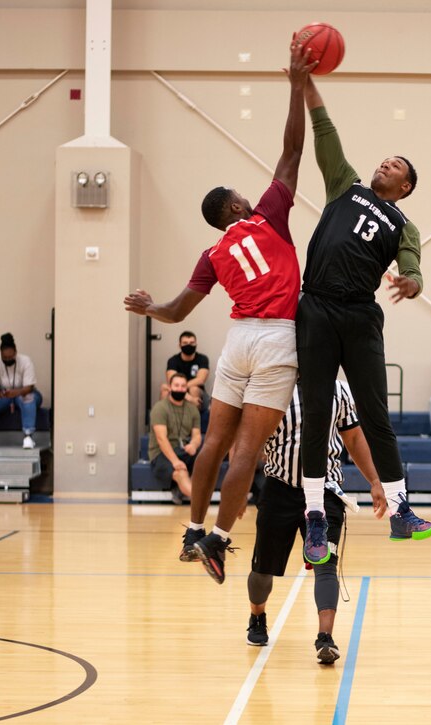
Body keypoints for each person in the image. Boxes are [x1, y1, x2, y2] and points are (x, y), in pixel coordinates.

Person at [125, 43, 315, 584]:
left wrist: (147, 307)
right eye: (241, 196)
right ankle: (219, 540)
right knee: (249, 452)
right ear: (235, 207)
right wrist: (297, 86)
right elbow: (293, 151)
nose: (249, 199)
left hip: (237, 340)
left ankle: (191, 529)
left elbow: (175, 309)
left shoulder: (213, 255)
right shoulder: (269, 219)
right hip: (278, 339)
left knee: (214, 442)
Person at [293, 63, 431, 564]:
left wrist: (408, 283)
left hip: (359, 316)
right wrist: (304, 79)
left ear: (406, 186)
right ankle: (315, 517)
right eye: (384, 159)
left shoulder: (404, 225)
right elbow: (324, 130)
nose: (385, 164)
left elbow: (416, 273)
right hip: (314, 306)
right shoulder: (345, 185)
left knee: (377, 416)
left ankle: (402, 512)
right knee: (317, 414)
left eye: (396, 164)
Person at [245, 380, 386, 665]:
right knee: (262, 571)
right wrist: (241, 488)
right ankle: (257, 616)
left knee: (326, 566)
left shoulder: (340, 389)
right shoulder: (275, 385)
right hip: (280, 488)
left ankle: (326, 638)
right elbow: (249, 443)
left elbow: (354, 438)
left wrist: (374, 480)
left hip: (326, 491)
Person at [0, 333, 41, 450]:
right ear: (0, 354)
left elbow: (29, 387)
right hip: (4, 395)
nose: (7, 360)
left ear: (16, 352)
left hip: (23, 393)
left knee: (28, 397)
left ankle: (28, 437)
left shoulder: (26, 361)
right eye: (4, 358)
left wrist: (15, 393)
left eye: (10, 357)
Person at [149, 374, 202, 505]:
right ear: (169, 387)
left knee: (204, 461)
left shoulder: (192, 409)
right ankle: (201, 504)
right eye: (176, 385)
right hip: (162, 453)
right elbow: (161, 439)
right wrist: (175, 461)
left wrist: (194, 445)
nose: (179, 389)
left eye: (183, 386)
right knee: (181, 472)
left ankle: (179, 490)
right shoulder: (160, 408)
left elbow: (197, 435)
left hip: (183, 449)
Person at [162, 331, 210, 410]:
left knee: (193, 389)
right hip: (177, 390)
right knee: (164, 388)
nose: (188, 345)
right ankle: (164, 420)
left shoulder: (202, 359)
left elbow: (201, 380)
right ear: (179, 345)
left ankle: (193, 420)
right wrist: (188, 396)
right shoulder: (173, 360)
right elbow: (171, 380)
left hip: (198, 393)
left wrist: (181, 388)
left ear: (196, 344)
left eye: (192, 343)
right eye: (185, 343)